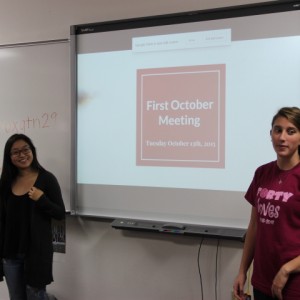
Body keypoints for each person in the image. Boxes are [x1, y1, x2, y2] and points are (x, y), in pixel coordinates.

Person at [233, 107, 300, 300]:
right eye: (277, 130)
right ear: (270, 134)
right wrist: (242, 271)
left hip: (294, 284)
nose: (282, 137)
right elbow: (254, 226)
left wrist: (286, 270)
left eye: (291, 131)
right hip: (262, 280)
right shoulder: (262, 173)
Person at [0, 134, 65, 300]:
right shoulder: (6, 182)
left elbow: (59, 213)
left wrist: (42, 199)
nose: (22, 155)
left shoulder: (47, 179)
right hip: (11, 253)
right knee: (16, 297)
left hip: (36, 252)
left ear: (32, 151)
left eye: (25, 149)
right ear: (9, 157)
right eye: (15, 152)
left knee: (35, 296)